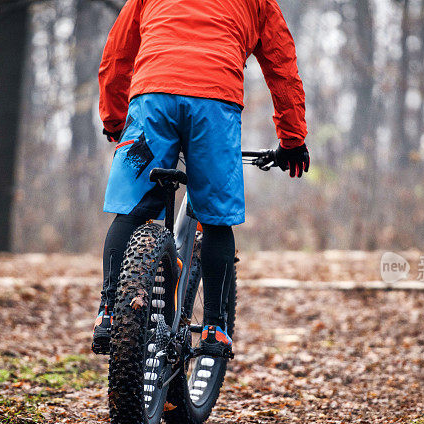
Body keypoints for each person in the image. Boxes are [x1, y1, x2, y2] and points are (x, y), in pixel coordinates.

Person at [92, 0, 310, 358]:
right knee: (215, 219)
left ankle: (109, 312)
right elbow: (281, 67)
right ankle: (214, 327)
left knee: (131, 211)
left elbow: (117, 55)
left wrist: (115, 119)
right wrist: (293, 140)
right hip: (214, 102)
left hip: (153, 98)